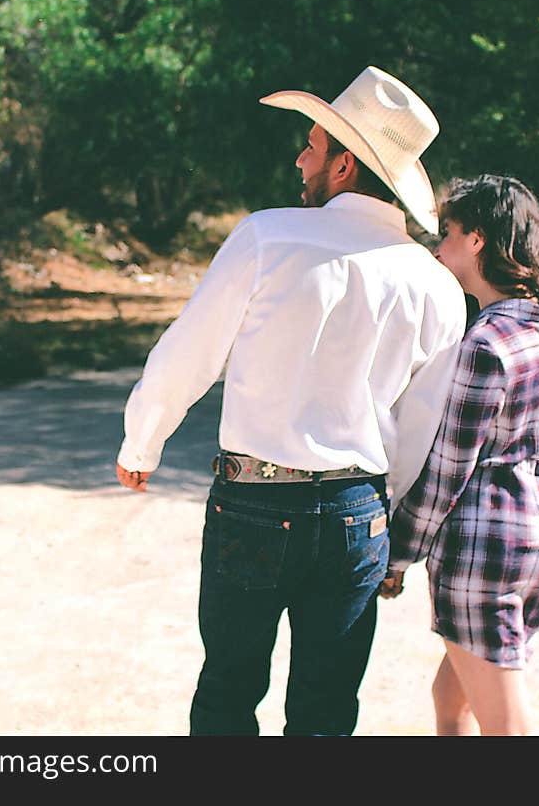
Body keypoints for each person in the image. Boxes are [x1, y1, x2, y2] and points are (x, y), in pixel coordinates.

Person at [115, 66, 466, 735]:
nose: (299, 157)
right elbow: (423, 430)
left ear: (343, 165)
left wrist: (143, 441)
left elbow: (189, 352)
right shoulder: (435, 285)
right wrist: (387, 527)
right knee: (327, 711)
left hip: (253, 501)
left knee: (226, 696)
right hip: (355, 514)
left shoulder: (266, 237)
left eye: (312, 145)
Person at [380, 174, 539, 735]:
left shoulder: (485, 346)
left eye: (445, 233)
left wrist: (397, 557)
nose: (436, 246)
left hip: (487, 550)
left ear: (476, 241)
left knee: (505, 730)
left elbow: (449, 472)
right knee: (452, 702)